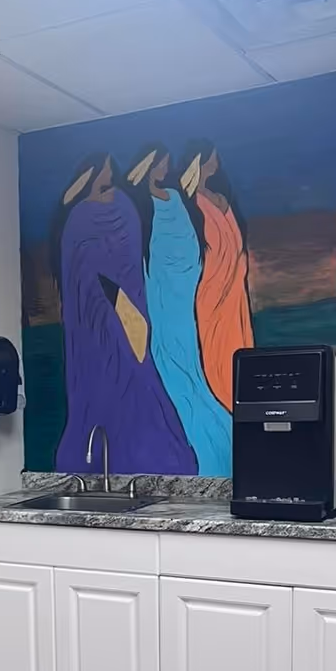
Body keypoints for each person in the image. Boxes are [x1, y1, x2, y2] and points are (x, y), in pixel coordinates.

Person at [51, 154, 196, 474]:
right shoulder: (81, 217)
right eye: (104, 166)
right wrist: (112, 299)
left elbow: (128, 259)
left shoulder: (120, 204)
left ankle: (153, 455)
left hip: (123, 305)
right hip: (98, 314)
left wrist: (125, 303)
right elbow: (80, 271)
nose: (110, 170)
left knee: (137, 375)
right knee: (115, 379)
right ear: (91, 171)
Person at [127, 146, 231, 475]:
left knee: (187, 361)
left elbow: (186, 239)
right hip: (157, 290)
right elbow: (143, 251)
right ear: (150, 164)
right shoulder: (138, 205)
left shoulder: (173, 195)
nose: (167, 167)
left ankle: (216, 441)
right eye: (162, 162)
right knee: (168, 360)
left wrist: (190, 270)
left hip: (182, 291)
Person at [180, 141, 254, 411]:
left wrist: (238, 266)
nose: (217, 160)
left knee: (236, 345)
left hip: (233, 287)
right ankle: (221, 404)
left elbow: (233, 240)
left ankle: (239, 404)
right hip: (211, 290)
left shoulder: (218, 197)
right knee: (214, 349)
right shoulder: (188, 203)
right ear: (201, 160)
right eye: (213, 156)